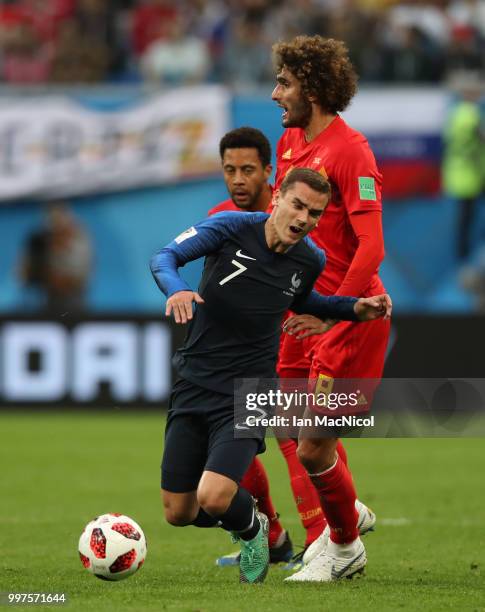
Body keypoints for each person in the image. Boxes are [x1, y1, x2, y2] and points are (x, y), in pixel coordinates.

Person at [150, 167, 392, 584]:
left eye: (314, 213)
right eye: (297, 205)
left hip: (250, 390)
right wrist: (176, 288)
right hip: (194, 380)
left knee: (214, 494)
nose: (303, 218)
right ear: (277, 197)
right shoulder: (231, 227)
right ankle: (254, 524)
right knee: (180, 512)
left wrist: (353, 309)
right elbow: (165, 257)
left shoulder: (310, 258)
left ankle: (255, 531)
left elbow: (305, 300)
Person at [270, 35, 390, 581]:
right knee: (288, 428)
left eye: (285, 83)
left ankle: (343, 547)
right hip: (302, 307)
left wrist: (336, 312)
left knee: (316, 446)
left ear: (313, 88)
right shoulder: (290, 142)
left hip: (345, 314)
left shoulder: (351, 150)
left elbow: (372, 247)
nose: (275, 94)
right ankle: (342, 520)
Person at [18, 201, 92, 314]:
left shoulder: (79, 240)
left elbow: (78, 277)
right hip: (44, 300)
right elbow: (22, 275)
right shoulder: (38, 241)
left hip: (73, 302)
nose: (57, 233)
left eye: (60, 228)